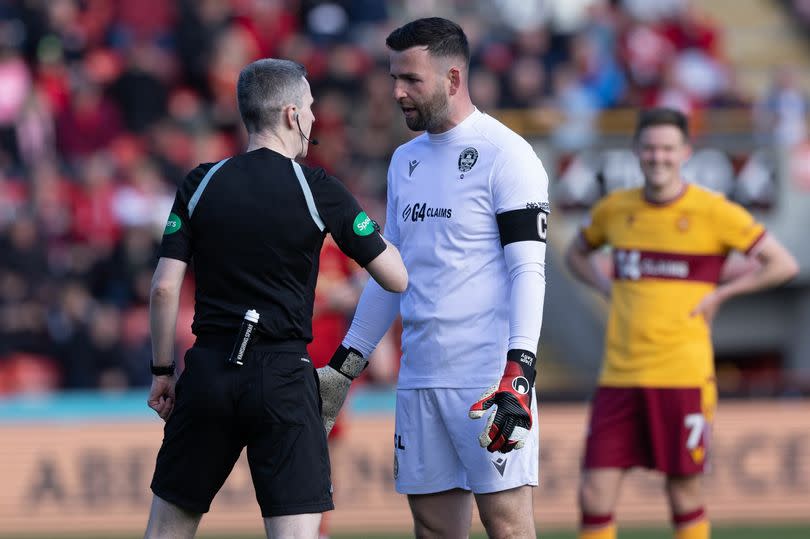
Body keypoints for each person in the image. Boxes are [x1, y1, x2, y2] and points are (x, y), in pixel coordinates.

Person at [143, 58, 407, 539]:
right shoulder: (317, 187)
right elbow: (394, 277)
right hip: (284, 375)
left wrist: (163, 372)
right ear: (290, 114)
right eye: (309, 108)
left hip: (209, 371)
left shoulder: (198, 183)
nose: (313, 119)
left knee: (167, 530)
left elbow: (163, 287)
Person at [316, 17, 549, 538]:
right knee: (434, 528)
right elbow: (390, 273)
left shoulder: (507, 155)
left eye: (411, 80)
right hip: (419, 376)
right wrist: (345, 365)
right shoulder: (405, 162)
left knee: (508, 526)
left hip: (488, 381)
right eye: (393, 76)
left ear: (452, 78)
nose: (396, 91)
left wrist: (520, 371)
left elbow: (529, 270)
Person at [564, 107, 799, 539]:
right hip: (619, 377)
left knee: (684, 494)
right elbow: (574, 253)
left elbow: (782, 264)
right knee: (594, 495)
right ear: (637, 151)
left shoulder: (714, 212)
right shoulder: (615, 210)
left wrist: (722, 295)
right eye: (650, 148)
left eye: (668, 148)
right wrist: (603, 285)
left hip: (683, 377)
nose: (659, 157)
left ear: (685, 152)